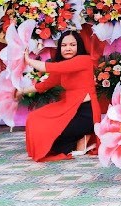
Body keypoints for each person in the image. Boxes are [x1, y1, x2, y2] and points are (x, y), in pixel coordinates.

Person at [17, 31, 100, 162]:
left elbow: (48, 67)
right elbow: (45, 85)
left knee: (55, 136)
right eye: (64, 45)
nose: (68, 48)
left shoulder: (84, 60)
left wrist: (28, 60)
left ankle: (85, 136)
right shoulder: (61, 67)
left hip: (86, 113)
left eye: (72, 45)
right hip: (70, 110)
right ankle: (82, 139)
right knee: (35, 118)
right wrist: (22, 91)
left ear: (79, 46)